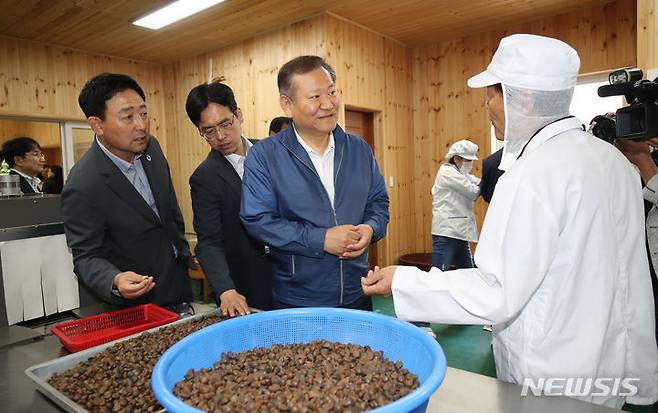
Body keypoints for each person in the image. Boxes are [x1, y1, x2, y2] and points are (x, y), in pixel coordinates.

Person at [362, 34, 658, 408]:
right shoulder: (613, 161)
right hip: (606, 361)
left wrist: (403, 281)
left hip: (551, 371)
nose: (487, 105)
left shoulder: (532, 175)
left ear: (524, 99)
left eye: (492, 94)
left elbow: (496, 290)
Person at [241, 55, 389, 310]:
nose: (329, 104)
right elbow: (258, 220)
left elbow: (378, 202)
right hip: (297, 300)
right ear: (287, 105)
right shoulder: (265, 156)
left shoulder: (359, 150)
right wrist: (320, 239)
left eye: (332, 92)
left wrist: (371, 228)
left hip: (357, 293)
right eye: (315, 97)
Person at [61, 73, 193, 309]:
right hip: (138, 304)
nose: (141, 125)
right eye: (128, 117)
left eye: (143, 113)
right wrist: (114, 279)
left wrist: (181, 248)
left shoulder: (151, 146)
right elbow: (86, 257)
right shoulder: (83, 183)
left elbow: (169, 209)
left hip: (178, 283)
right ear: (97, 125)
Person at [186, 81, 273, 316]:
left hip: (293, 278)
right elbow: (209, 242)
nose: (221, 136)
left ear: (239, 114)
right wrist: (225, 289)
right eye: (209, 131)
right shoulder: (205, 178)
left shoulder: (271, 152)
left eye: (225, 124)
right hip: (247, 287)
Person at [431, 139, 480, 270]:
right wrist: (486, 185)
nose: (470, 164)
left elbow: (477, 181)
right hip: (446, 234)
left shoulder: (460, 173)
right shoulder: (447, 173)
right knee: (439, 276)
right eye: (468, 160)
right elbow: (473, 192)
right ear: (457, 159)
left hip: (460, 234)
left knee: (468, 274)